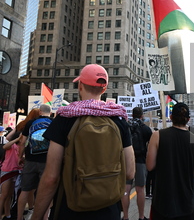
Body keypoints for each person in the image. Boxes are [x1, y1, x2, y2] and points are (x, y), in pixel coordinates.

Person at [31, 64, 135, 220]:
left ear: (80, 86)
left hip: (70, 210)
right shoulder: (119, 119)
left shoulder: (65, 118)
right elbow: (129, 172)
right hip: (109, 211)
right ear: (104, 89)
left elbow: (51, 178)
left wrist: (36, 217)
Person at [147, 102, 194, 219]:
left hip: (162, 201)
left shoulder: (158, 135)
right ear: (188, 119)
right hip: (186, 202)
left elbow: (150, 166)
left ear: (171, 117)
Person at [17, 104, 53, 220]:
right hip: (47, 162)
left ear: (40, 111)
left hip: (30, 160)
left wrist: (20, 156)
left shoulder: (30, 123)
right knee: (46, 192)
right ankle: (45, 217)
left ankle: (19, 217)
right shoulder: (54, 123)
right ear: (50, 112)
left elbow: (22, 142)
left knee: (25, 190)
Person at [122, 107, 152, 220]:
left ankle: (125, 217)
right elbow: (150, 146)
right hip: (140, 161)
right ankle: (140, 216)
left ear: (132, 114)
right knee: (140, 189)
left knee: (126, 190)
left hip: (127, 160)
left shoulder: (125, 126)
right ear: (142, 115)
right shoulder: (146, 129)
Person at [0, 133, 23, 219]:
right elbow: (5, 147)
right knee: (4, 195)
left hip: (16, 171)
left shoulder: (22, 146)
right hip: (7, 170)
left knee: (9, 195)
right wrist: (17, 139)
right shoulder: (12, 145)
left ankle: (8, 215)